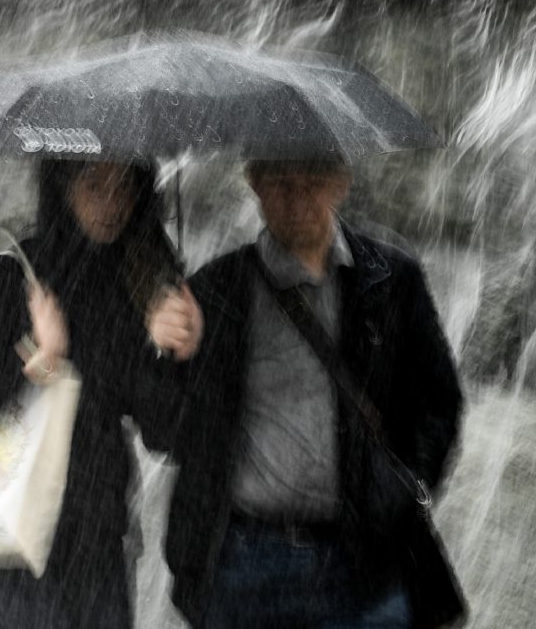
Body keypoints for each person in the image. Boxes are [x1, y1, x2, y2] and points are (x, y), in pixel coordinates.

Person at [165, 159, 466, 628]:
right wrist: (172, 354)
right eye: (281, 182)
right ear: (255, 183)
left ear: (341, 184)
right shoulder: (214, 291)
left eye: (312, 182)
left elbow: (439, 401)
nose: (297, 198)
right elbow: (170, 431)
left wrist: (410, 488)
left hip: (363, 558)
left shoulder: (390, 282)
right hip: (242, 559)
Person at [0, 159, 203, 629]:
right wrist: (42, 358)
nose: (112, 204)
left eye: (124, 187)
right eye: (94, 186)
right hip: (13, 534)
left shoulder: (141, 281)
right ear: (62, 189)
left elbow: (165, 434)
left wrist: (174, 351)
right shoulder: (16, 273)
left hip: (98, 535)